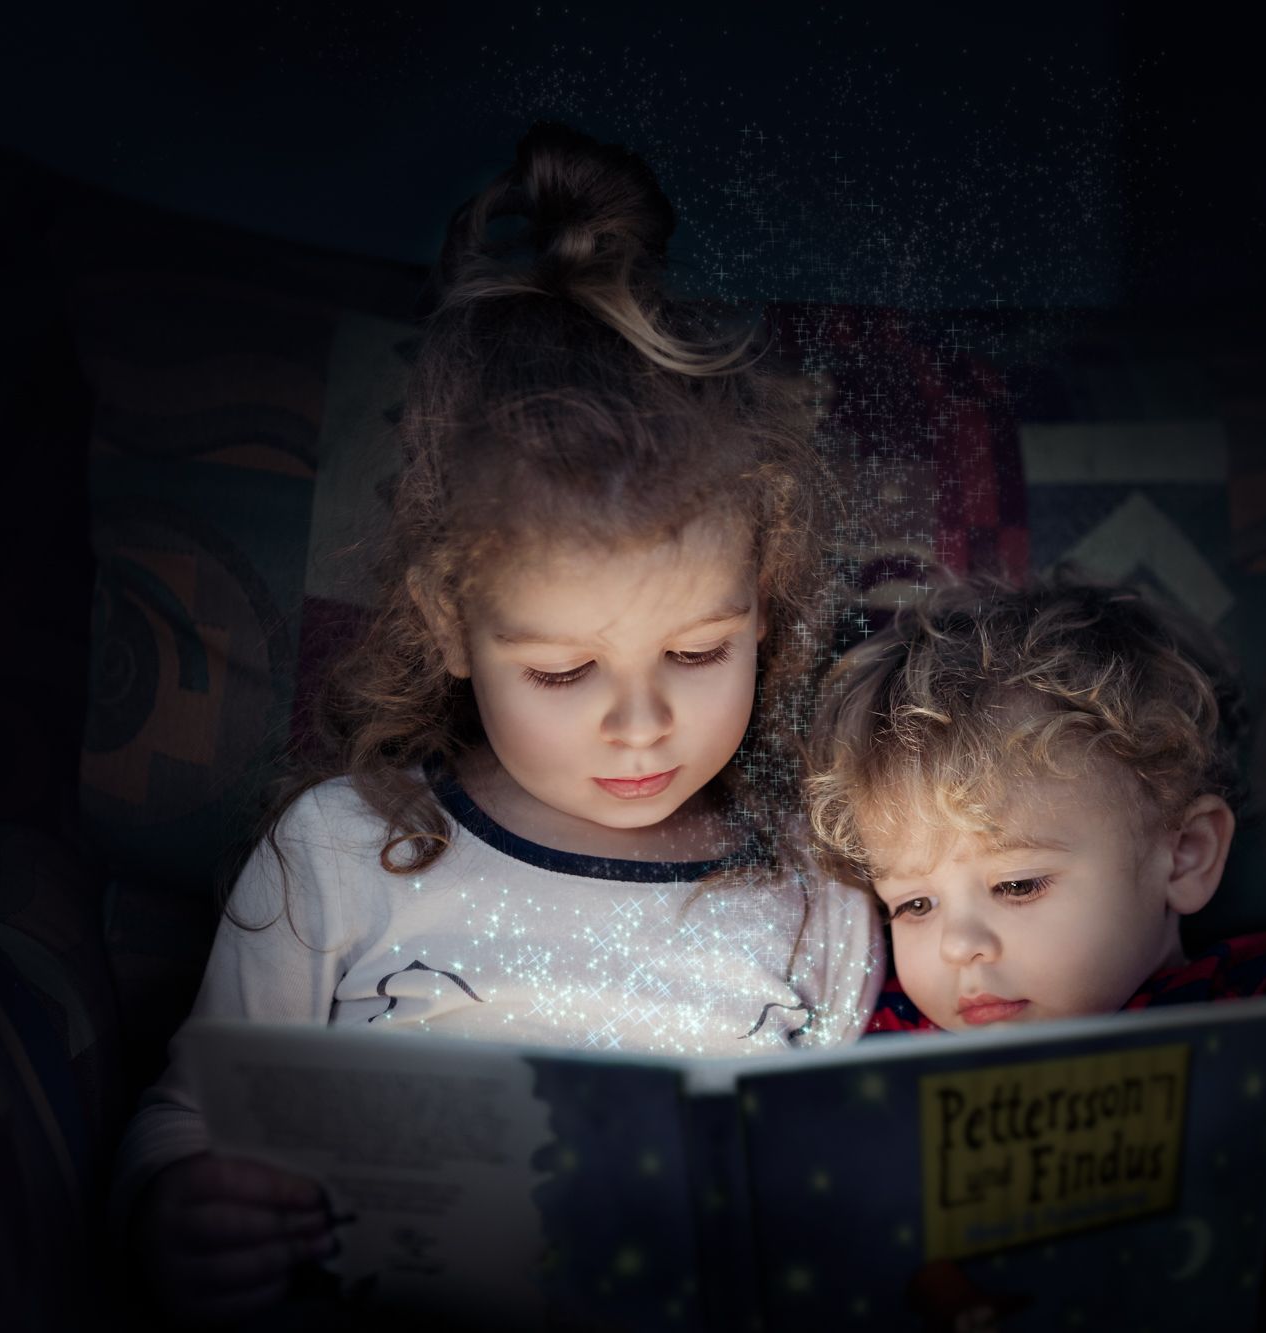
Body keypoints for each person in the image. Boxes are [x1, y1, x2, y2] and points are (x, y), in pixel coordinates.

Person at [114, 122, 882, 1327]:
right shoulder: (343, 851)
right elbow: (189, 1117)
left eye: (695, 652)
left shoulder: (818, 886)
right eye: (564, 671)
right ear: (451, 622)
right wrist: (179, 1210)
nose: (640, 725)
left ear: (761, 611)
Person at [804, 571, 1266, 1319]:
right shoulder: (888, 1034)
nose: (959, 944)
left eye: (1019, 885)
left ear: (1182, 856)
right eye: (915, 903)